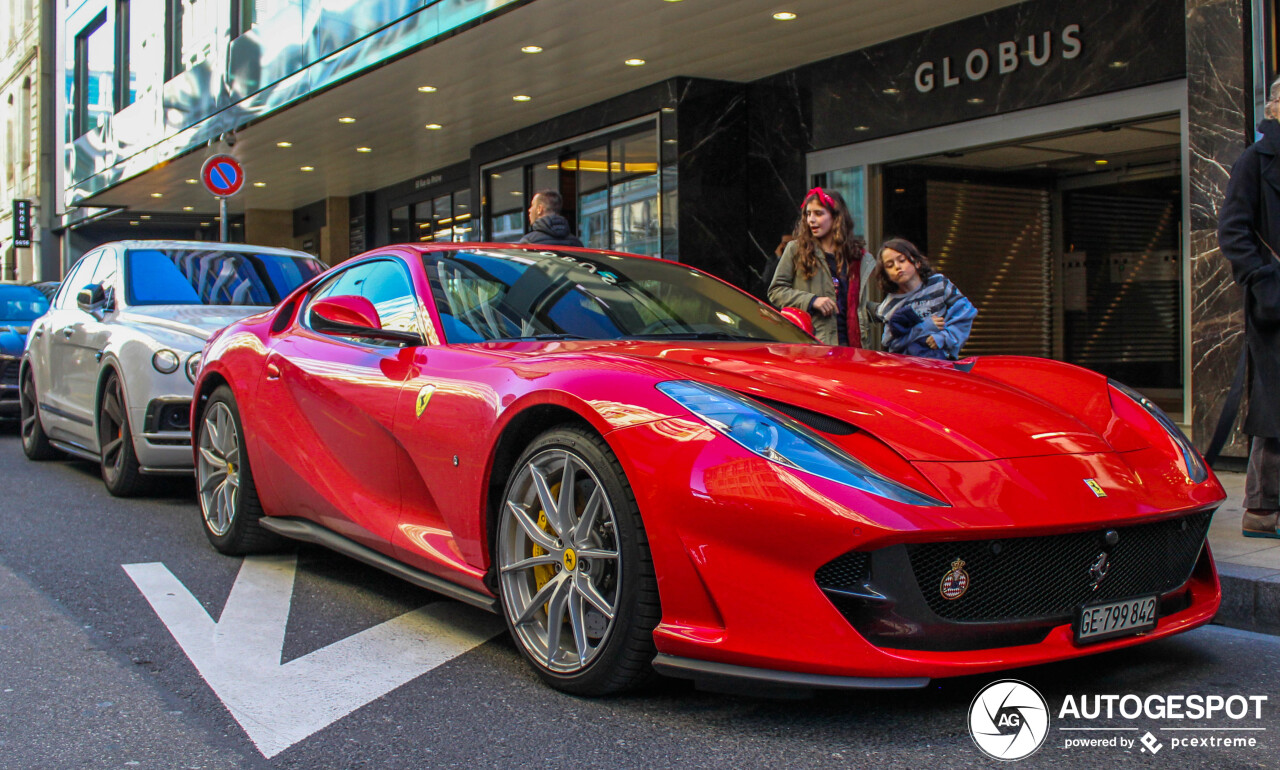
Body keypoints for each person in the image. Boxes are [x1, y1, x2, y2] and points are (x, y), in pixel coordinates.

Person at [1216, 77, 1280, 538]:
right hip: (1275, 305)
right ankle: (1262, 507)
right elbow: (1232, 232)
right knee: (1274, 406)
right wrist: (1265, 282)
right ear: (1276, 106)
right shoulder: (1254, 162)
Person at [768, 188, 872, 346]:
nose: (811, 220)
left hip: (853, 346)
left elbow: (854, 305)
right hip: (814, 344)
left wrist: (886, 310)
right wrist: (812, 300)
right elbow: (775, 291)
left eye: (818, 213)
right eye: (808, 214)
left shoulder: (855, 256)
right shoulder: (796, 249)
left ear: (836, 216)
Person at [873, 238, 976, 360]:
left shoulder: (939, 284)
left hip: (944, 364)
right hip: (912, 369)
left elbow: (965, 313)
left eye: (902, 260)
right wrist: (923, 328)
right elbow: (892, 346)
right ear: (886, 275)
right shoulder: (889, 306)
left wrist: (944, 337)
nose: (897, 267)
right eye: (890, 265)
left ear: (917, 262)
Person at [519, 189, 583, 247]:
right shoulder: (576, 243)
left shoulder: (528, 242)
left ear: (539, 209)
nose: (529, 210)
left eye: (532, 205)